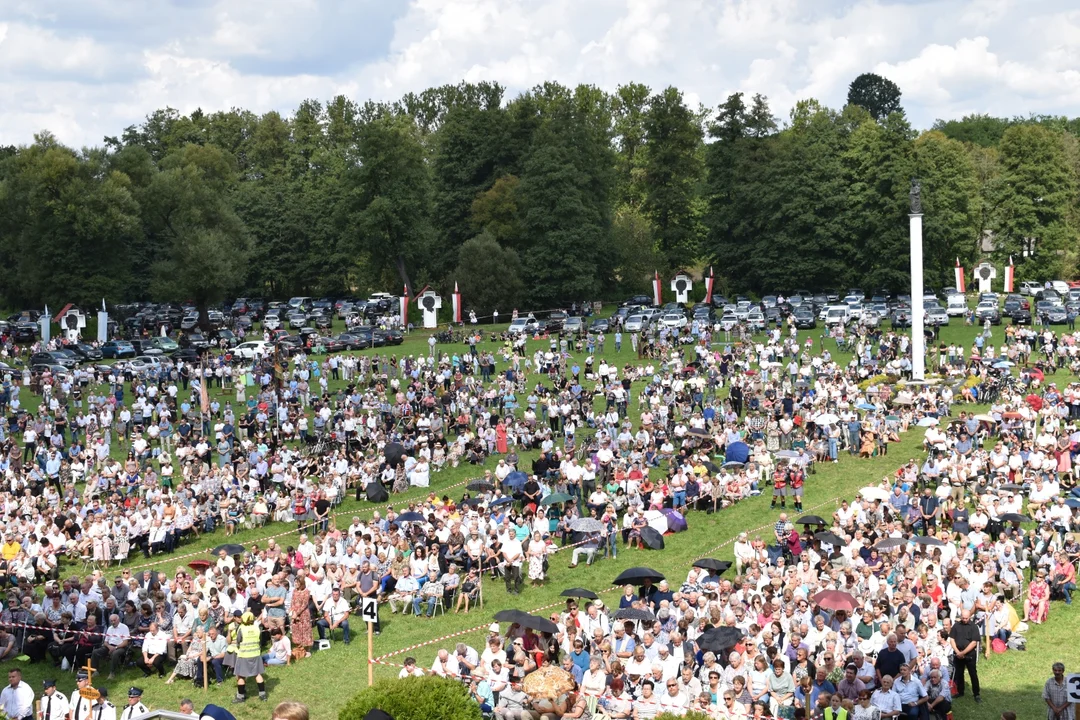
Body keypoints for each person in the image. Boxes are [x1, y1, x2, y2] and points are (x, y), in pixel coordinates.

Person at [232, 612, 267, 704]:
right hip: (255, 654)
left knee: (241, 676)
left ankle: (240, 697)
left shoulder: (241, 628)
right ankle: (262, 695)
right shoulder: (257, 628)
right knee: (257, 674)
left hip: (244, 655)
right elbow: (260, 641)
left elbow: (238, 641)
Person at [948, 609, 981, 703]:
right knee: (959, 673)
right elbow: (952, 639)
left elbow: (974, 642)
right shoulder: (956, 625)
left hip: (970, 654)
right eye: (963, 618)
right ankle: (960, 691)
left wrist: (963, 653)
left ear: (969, 617)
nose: (965, 619)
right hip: (958, 653)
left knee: (973, 674)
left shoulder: (974, 627)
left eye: (966, 618)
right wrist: (957, 652)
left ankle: (976, 694)